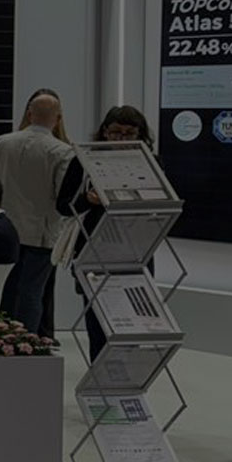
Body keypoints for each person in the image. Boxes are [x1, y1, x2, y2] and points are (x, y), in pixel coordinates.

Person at [58, 105, 155, 362]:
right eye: (115, 132)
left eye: (129, 133)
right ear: (104, 132)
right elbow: (63, 205)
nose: (121, 139)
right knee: (97, 323)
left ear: (141, 134)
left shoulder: (151, 161)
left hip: (136, 252)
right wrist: (88, 199)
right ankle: (101, 374)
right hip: (94, 250)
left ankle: (127, 374)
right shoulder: (83, 160)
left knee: (133, 323)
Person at [0, 92, 75, 334]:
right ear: (58, 118)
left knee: (6, 289)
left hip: (4, 231)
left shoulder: (2, 142)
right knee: (32, 292)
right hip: (41, 234)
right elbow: (63, 195)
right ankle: (27, 343)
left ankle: (2, 339)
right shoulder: (63, 152)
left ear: (29, 114)